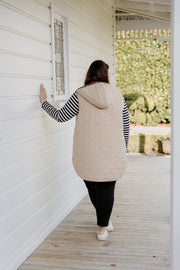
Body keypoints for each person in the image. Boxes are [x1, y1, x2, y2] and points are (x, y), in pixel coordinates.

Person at [39, 60, 130, 241]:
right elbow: (125, 123)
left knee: (93, 186)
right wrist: (123, 148)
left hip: (88, 153)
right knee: (107, 188)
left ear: (90, 74)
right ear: (106, 75)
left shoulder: (80, 94)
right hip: (113, 151)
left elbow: (61, 116)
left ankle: (102, 224)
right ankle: (104, 222)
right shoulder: (118, 95)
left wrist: (44, 103)